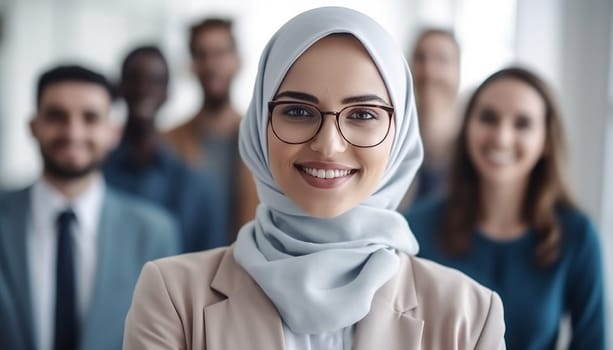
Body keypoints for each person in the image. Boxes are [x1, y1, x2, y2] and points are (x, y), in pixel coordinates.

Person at [123, 7, 505, 349]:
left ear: (400, 130)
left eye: (363, 115)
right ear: (260, 125)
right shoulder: (173, 297)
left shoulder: (469, 316)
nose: (328, 145)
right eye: (298, 111)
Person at [405, 67, 606, 349]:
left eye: (522, 123)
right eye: (488, 118)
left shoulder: (577, 236)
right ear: (467, 129)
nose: (501, 137)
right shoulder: (415, 228)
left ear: (546, 140)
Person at [0, 65, 179, 350]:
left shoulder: (154, 233)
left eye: (90, 118)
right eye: (56, 116)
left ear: (113, 131)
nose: (73, 132)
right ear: (33, 127)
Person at [103, 45, 227, 252]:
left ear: (167, 93)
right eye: (135, 79)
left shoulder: (197, 186)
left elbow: (212, 265)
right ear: (120, 87)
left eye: (155, 81)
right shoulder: (96, 175)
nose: (144, 89)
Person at [164, 17, 258, 238]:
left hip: (250, 266)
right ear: (191, 65)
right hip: (188, 266)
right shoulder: (168, 142)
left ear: (238, 61)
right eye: (201, 54)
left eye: (220, 53)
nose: (211, 64)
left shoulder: (264, 139)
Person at [403, 29, 461, 206]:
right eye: (421, 58)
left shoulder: (475, 140)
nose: (429, 71)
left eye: (441, 60)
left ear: (458, 69)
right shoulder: (392, 134)